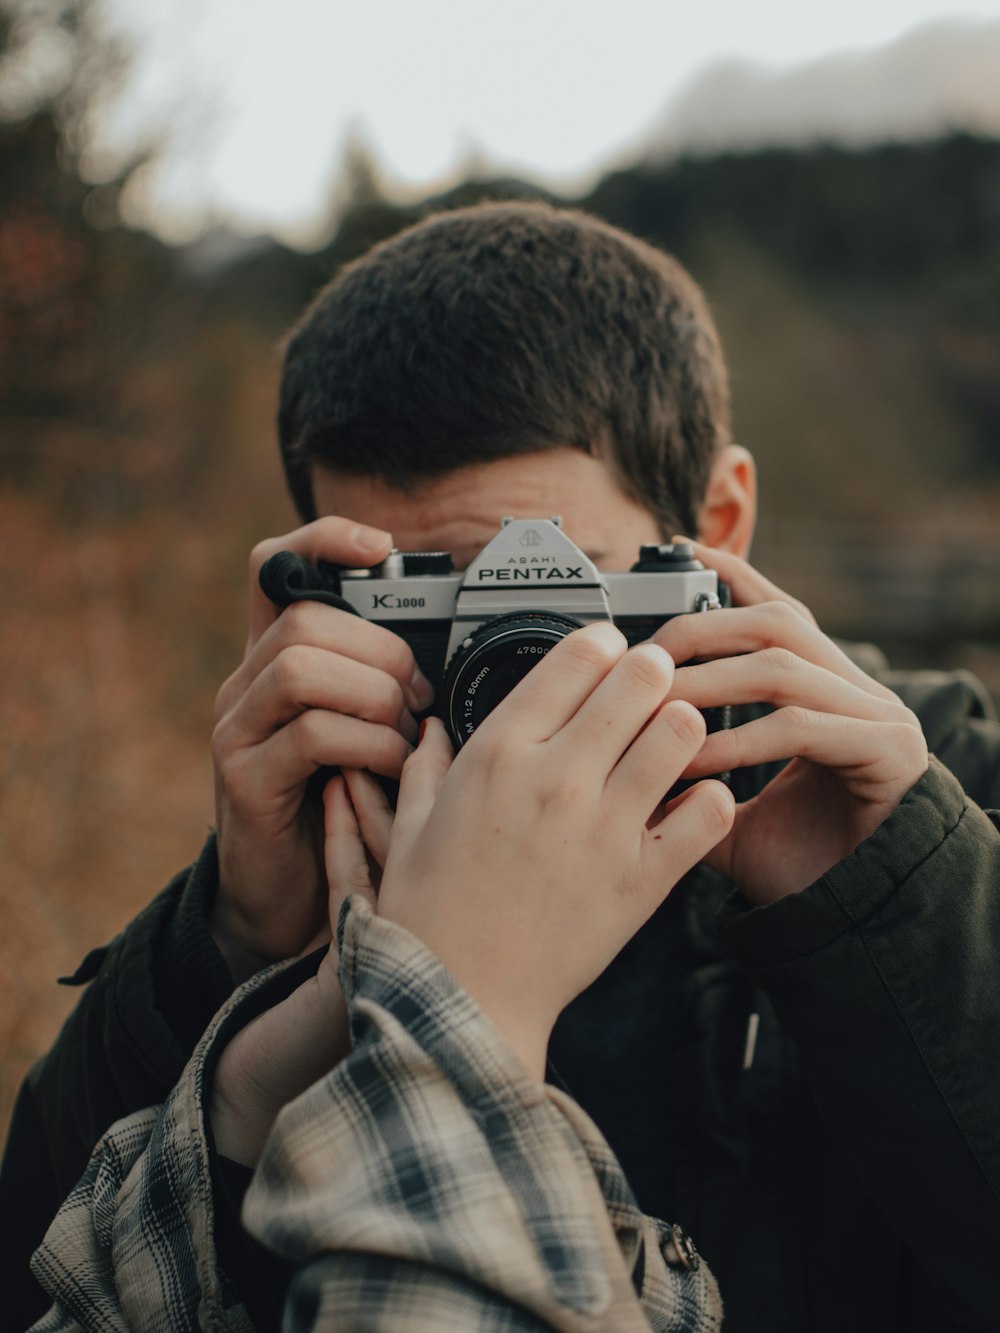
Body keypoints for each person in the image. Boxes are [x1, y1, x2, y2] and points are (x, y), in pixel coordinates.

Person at [3, 201, 1000, 1332]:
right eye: (427, 596)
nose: (502, 663)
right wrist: (229, 948)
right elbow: (34, 1270)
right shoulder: (312, 846)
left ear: (716, 525)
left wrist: (893, 905)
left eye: (550, 588)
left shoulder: (917, 808)